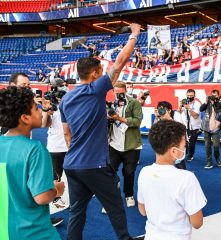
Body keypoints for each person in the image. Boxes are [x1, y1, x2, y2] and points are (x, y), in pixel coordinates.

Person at [60, 23, 141, 240]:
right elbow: (120, 62)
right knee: (115, 206)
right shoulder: (94, 89)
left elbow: (67, 133)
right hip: (92, 164)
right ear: (95, 73)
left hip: (72, 164)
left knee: (77, 210)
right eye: (101, 72)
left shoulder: (66, 99)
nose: (104, 74)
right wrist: (134, 35)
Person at [0, 86, 65, 239]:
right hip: (34, 232)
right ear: (25, 117)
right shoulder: (35, 149)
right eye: (36, 108)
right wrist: (57, 190)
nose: (40, 110)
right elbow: (42, 197)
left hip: (5, 231)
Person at [137, 120, 207, 240]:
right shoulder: (186, 178)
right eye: (184, 146)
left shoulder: (144, 172)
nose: (184, 148)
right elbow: (197, 223)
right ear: (174, 151)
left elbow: (143, 210)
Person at [107, 81, 143, 210]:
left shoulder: (134, 103)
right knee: (110, 173)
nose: (118, 96)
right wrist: (109, 118)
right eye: (116, 93)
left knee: (129, 173)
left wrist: (119, 118)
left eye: (121, 93)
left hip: (131, 145)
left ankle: (129, 195)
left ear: (125, 91)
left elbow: (137, 121)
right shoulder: (111, 104)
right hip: (114, 144)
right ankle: (111, 199)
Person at [41, 89, 69, 211]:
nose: (61, 100)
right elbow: (43, 124)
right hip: (55, 147)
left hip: (69, 146)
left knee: (70, 174)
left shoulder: (70, 109)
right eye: (58, 98)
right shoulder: (52, 110)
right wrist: (46, 111)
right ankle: (55, 199)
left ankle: (67, 196)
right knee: (56, 175)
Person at [176, 89, 202, 162]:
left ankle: (190, 155)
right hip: (187, 125)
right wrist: (180, 106)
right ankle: (187, 153)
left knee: (192, 142)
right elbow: (179, 112)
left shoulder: (197, 104)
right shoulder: (185, 102)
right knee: (186, 141)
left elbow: (196, 116)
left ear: (194, 96)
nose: (189, 97)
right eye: (188, 96)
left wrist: (189, 109)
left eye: (191, 96)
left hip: (195, 126)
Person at [200, 89, 221, 169]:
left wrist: (213, 103)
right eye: (212, 95)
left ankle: (217, 158)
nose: (213, 97)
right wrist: (206, 101)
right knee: (207, 145)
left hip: (215, 128)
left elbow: (216, 110)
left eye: (215, 95)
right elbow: (201, 109)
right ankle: (209, 161)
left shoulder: (219, 103)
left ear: (218, 96)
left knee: (216, 145)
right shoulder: (208, 102)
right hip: (206, 127)